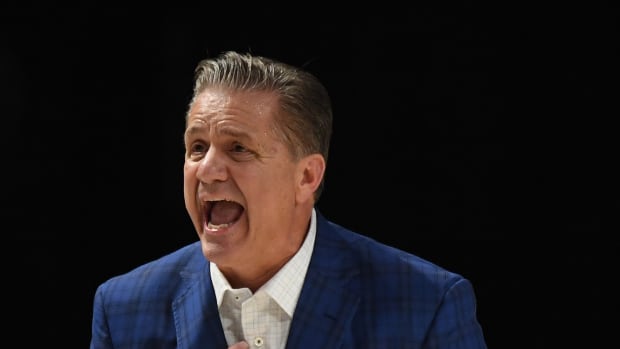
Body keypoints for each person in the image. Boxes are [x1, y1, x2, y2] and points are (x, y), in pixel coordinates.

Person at [89, 50, 488, 349]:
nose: (207, 170)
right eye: (196, 147)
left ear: (307, 177)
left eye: (239, 148)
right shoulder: (123, 309)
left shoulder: (425, 306)